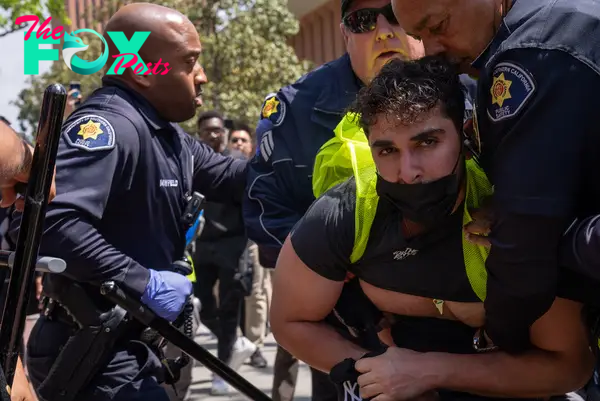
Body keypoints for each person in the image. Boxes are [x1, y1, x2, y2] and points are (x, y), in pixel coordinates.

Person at [271, 55, 595, 401]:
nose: (408, 171)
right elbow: (290, 321)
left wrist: (426, 372)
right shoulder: (347, 213)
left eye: (427, 143)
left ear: (466, 135)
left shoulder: (511, 212)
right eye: (387, 150)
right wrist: (375, 371)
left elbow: (570, 365)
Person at [16, 4, 246, 401]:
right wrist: (144, 282)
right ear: (141, 69)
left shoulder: (168, 136)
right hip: (91, 345)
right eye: (190, 62)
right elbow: (50, 221)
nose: (201, 76)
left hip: (132, 345)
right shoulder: (110, 127)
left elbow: (235, 178)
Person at [387, 0, 600, 355]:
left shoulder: (527, 55)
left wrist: (498, 336)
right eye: (417, 36)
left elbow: (527, 244)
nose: (432, 50)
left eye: (438, 25)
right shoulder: (566, 17)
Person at [243, 0, 424, 399]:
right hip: (347, 331)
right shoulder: (295, 108)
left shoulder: (468, 81)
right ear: (344, 33)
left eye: (394, 14)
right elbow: (266, 210)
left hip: (463, 329)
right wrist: (351, 300)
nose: (383, 31)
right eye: (363, 21)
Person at [192, 111, 257, 395]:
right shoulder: (192, 162)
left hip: (233, 245)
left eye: (218, 130)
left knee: (230, 311)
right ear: (200, 133)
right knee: (200, 306)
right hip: (202, 246)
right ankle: (234, 345)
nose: (214, 135)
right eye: (207, 131)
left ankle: (222, 370)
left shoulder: (237, 162)